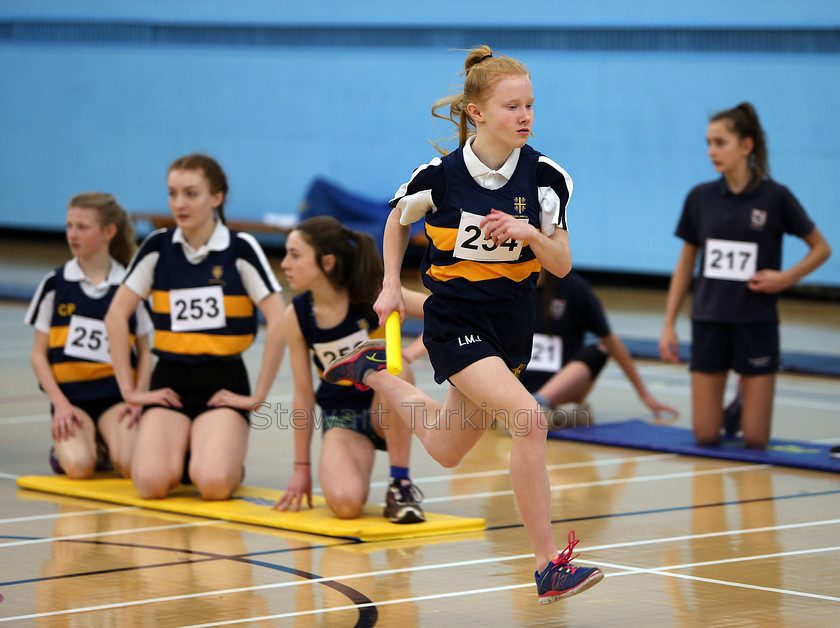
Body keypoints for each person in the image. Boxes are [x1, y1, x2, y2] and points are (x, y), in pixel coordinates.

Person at [322, 45, 604, 604]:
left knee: (447, 449)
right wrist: (388, 288)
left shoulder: (548, 178)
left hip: (512, 326)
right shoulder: (441, 177)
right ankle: (548, 564)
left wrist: (528, 234)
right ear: (476, 112)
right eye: (511, 106)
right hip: (455, 320)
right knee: (528, 419)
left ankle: (373, 373)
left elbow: (562, 263)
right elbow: (396, 221)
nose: (524, 116)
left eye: (530, 105)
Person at [105, 154, 286, 500]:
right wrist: (129, 390)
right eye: (172, 194)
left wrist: (259, 395)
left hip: (223, 383)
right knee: (150, 483)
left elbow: (280, 318)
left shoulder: (240, 249)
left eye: (190, 193)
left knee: (214, 484)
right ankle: (187, 451)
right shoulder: (158, 246)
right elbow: (116, 316)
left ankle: (215, 456)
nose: (179, 203)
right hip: (169, 383)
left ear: (216, 198)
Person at [659, 102, 831, 450]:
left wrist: (786, 278)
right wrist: (669, 324)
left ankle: (742, 403)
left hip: (757, 324)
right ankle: (734, 405)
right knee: (705, 436)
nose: (711, 151)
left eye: (720, 143)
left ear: (746, 146)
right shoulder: (701, 197)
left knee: (755, 440)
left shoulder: (776, 197)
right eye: (708, 142)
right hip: (709, 322)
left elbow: (821, 248)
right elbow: (685, 264)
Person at [272, 216, 426, 523]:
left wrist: (409, 353)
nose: (285, 263)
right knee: (345, 505)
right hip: (343, 417)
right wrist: (301, 467)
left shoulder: (373, 294)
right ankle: (362, 461)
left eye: (295, 255)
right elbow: (303, 395)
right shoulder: (297, 315)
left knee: (393, 369)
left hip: (386, 409)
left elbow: (444, 316)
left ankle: (400, 484)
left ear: (327, 262)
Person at [25, 192, 153, 479]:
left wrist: (138, 397)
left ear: (108, 232)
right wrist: (59, 404)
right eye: (69, 226)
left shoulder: (131, 286)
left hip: (117, 400)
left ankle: (107, 444)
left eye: (82, 227)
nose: (73, 234)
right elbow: (38, 355)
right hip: (72, 401)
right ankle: (78, 445)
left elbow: (145, 352)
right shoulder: (54, 285)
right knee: (80, 467)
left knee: (132, 465)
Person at [521, 269, 679, 428]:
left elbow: (611, 342)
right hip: (520, 381)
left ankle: (536, 405)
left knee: (600, 349)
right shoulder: (512, 284)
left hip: (560, 386)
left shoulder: (574, 288)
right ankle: (540, 412)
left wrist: (644, 394)